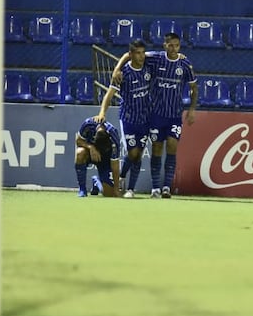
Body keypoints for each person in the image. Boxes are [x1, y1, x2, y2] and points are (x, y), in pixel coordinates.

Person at [113, 34, 197, 198]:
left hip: (174, 115)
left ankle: (166, 187)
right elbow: (128, 54)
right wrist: (117, 68)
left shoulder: (185, 64)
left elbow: (194, 87)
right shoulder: (155, 58)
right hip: (156, 114)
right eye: (170, 45)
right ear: (164, 45)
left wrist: (192, 109)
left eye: (177, 45)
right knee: (157, 148)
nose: (174, 49)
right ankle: (155, 188)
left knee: (172, 146)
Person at [95, 40, 152, 199]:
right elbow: (109, 94)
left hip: (145, 118)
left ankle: (130, 188)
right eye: (138, 53)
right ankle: (120, 178)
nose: (142, 56)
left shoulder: (149, 66)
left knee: (138, 154)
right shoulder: (123, 74)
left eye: (143, 52)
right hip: (128, 119)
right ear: (131, 54)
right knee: (133, 152)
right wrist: (102, 113)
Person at [75, 117, 122, 198]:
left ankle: (97, 181)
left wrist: (116, 189)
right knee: (80, 153)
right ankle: (82, 189)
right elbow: (78, 141)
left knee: (109, 194)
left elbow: (115, 165)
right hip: (91, 153)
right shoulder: (88, 125)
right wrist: (90, 147)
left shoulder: (114, 136)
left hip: (106, 160)